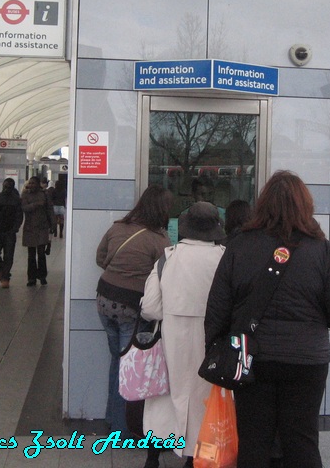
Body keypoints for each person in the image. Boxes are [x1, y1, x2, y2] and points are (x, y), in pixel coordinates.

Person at [204, 170, 330, 468]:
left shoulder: (240, 245)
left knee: (253, 440)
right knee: (301, 440)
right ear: (305, 206)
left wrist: (216, 349)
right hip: (306, 361)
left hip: (251, 358)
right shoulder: (321, 250)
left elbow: (218, 306)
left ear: (263, 204)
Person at [140, 202, 226, 468]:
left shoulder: (167, 258)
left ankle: (152, 457)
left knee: (165, 397)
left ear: (185, 227)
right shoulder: (225, 258)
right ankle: (193, 457)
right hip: (211, 338)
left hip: (172, 338)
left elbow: (151, 307)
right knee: (204, 398)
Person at [94, 184, 173, 436]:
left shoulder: (118, 227)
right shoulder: (159, 239)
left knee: (117, 361)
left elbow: (100, 258)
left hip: (104, 300)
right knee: (129, 367)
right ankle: (123, 429)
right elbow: (168, 275)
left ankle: (112, 418)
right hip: (131, 307)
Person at [0, 178, 23, 288]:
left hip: (9, 232)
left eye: (9, 187)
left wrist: (15, 228)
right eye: (5, 186)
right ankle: (1, 270)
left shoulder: (16, 200)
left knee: (9, 256)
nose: (7, 189)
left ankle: (5, 277)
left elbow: (19, 216)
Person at [21, 176, 54, 287]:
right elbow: (24, 208)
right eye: (30, 183)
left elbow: (50, 209)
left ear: (38, 184)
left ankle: (42, 276)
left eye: (33, 183)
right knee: (31, 255)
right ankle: (31, 278)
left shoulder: (45, 194)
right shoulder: (25, 194)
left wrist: (52, 224)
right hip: (30, 228)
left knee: (41, 253)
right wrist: (36, 205)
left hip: (42, 227)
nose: (31, 185)